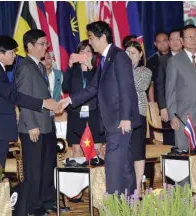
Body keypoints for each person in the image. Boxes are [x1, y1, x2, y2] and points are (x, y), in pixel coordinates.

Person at [59, 21, 140, 195]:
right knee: (123, 163)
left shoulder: (119, 56)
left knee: (112, 163)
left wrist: (125, 117)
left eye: (91, 38)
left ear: (103, 37)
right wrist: (69, 100)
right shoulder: (104, 59)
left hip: (120, 120)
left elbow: (126, 88)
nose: (90, 42)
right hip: (112, 121)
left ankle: (114, 203)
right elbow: (92, 88)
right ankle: (130, 202)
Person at [0, 35, 58, 172]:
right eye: (11, 52)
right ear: (0, 53)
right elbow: (13, 95)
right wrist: (43, 103)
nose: (15, 55)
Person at [15, 30, 57, 216]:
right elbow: (23, 99)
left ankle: (47, 202)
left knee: (47, 167)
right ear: (29, 46)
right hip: (33, 127)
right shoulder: (25, 67)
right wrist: (31, 124)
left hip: (46, 125)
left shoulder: (39, 66)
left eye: (46, 43)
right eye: (41, 43)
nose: (45, 47)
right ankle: (33, 207)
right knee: (34, 170)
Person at [62, 39, 105, 159]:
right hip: (76, 113)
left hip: (94, 113)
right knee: (76, 149)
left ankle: (98, 177)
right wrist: (69, 65)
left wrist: (90, 67)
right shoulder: (73, 70)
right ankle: (79, 176)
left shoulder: (97, 70)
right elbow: (65, 87)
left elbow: (98, 88)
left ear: (93, 54)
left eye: (88, 51)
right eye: (82, 51)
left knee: (97, 148)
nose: (85, 54)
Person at [166, 24, 196, 151]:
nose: (193, 39)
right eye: (189, 37)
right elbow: (170, 90)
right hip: (184, 117)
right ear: (182, 40)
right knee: (185, 154)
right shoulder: (175, 61)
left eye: (195, 36)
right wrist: (172, 115)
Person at [125, 41, 152, 197]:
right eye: (126, 53)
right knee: (124, 153)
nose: (129, 56)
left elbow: (141, 85)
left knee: (137, 152)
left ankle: (138, 190)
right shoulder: (120, 70)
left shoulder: (145, 71)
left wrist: (127, 68)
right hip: (121, 116)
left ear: (140, 55)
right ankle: (126, 188)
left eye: (133, 53)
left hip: (138, 115)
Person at [156, 29, 183, 146]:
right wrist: (163, 107)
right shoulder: (163, 59)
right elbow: (159, 85)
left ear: (182, 40)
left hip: (188, 104)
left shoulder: (189, 57)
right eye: (171, 39)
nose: (175, 42)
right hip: (170, 105)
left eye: (178, 39)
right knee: (171, 139)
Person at [147, 32, 170, 102]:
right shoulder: (151, 61)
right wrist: (152, 102)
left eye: (164, 41)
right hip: (159, 100)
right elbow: (150, 83)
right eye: (159, 41)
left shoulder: (176, 57)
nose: (162, 43)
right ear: (155, 44)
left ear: (169, 42)